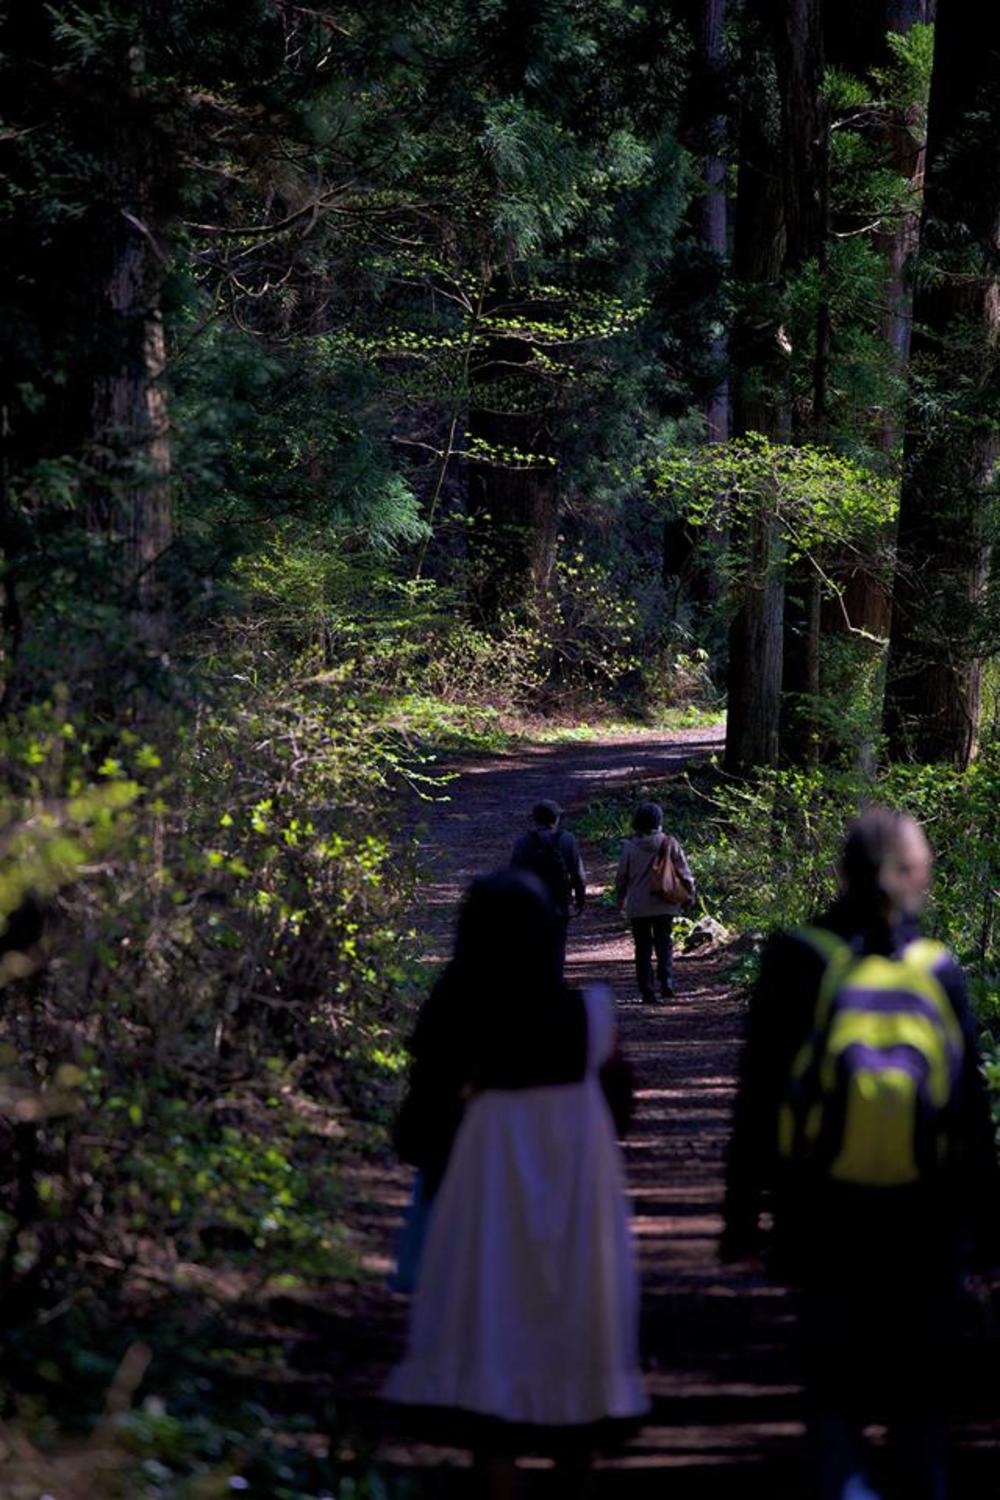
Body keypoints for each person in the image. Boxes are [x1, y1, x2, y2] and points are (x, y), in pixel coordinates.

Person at [721, 807, 1000, 1500]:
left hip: (821, 1208)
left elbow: (758, 1094)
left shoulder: (798, 956)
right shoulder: (937, 968)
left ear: (841, 871)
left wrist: (741, 1216)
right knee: (921, 1402)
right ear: (915, 876)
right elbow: (968, 1107)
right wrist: (985, 1232)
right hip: (926, 1213)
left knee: (834, 1389)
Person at [385, 869, 648, 1498]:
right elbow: (622, 1108)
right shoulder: (589, 1018)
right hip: (579, 1220)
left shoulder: (455, 1022)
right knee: (578, 1365)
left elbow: (416, 1130)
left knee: (489, 1379)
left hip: (484, 1220)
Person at [615, 801, 695, 1003]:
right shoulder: (669, 843)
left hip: (638, 905)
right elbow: (685, 873)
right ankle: (666, 981)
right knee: (664, 943)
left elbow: (621, 878)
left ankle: (646, 989)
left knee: (642, 947)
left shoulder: (629, 847)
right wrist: (690, 894)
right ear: (659, 820)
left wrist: (621, 900)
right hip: (665, 901)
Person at [509, 800, 586, 978]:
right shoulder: (568, 839)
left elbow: (514, 874)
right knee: (558, 945)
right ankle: (555, 981)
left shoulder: (523, 842)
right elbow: (577, 874)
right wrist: (580, 899)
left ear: (535, 819)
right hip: (560, 903)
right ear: (556, 818)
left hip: (531, 904)